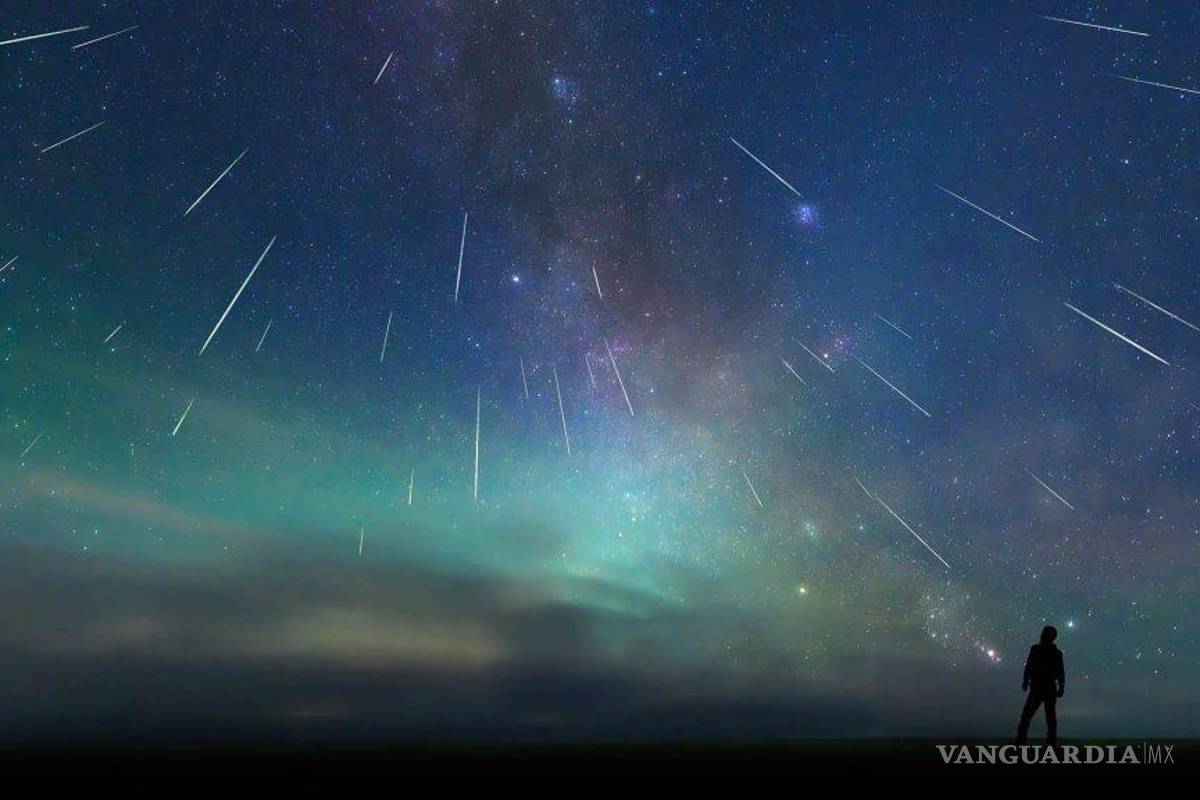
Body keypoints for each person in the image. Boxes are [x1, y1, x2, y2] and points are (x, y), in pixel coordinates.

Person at [1016, 625, 1064, 746]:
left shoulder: (1038, 650)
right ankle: (1050, 743)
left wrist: (1025, 681)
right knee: (1049, 718)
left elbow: (1029, 666)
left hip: (1040, 688)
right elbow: (1060, 672)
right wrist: (1061, 688)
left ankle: (1021, 742)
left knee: (1029, 716)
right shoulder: (1054, 652)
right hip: (1045, 688)